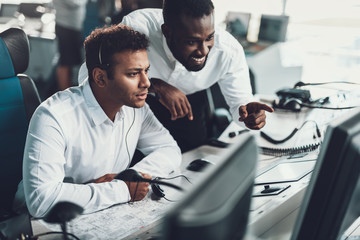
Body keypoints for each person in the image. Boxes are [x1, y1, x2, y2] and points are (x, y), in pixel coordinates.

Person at [14, 24, 181, 218]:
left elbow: (170, 150)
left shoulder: (136, 109)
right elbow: (41, 201)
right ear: (100, 78)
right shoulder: (53, 116)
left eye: (146, 71)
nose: (146, 83)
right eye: (133, 74)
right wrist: (121, 189)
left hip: (98, 213)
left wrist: (131, 178)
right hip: (33, 223)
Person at [80, 0, 274, 152]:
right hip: (136, 103)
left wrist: (249, 116)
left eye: (209, 38)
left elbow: (240, 105)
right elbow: (89, 76)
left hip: (188, 106)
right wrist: (154, 85)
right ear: (167, 32)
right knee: (131, 164)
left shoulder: (228, 52)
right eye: (192, 41)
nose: (203, 51)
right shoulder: (137, 28)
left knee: (190, 164)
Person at [53, 0, 87, 90]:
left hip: (73, 27)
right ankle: (65, 95)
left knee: (70, 63)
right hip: (66, 27)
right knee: (65, 63)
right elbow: (74, 3)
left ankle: (69, 91)